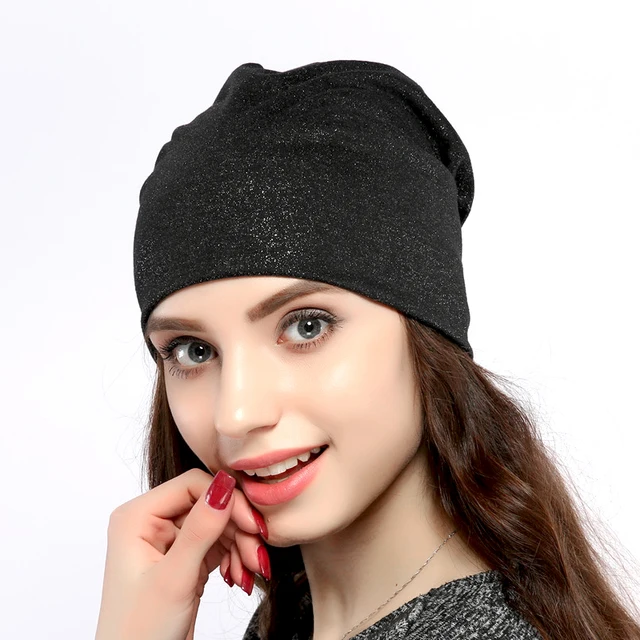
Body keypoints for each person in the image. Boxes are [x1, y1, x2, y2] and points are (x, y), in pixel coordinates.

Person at [95, 60, 640, 640]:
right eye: (193, 351)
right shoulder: (300, 619)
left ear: (426, 332)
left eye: (306, 326)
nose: (237, 413)